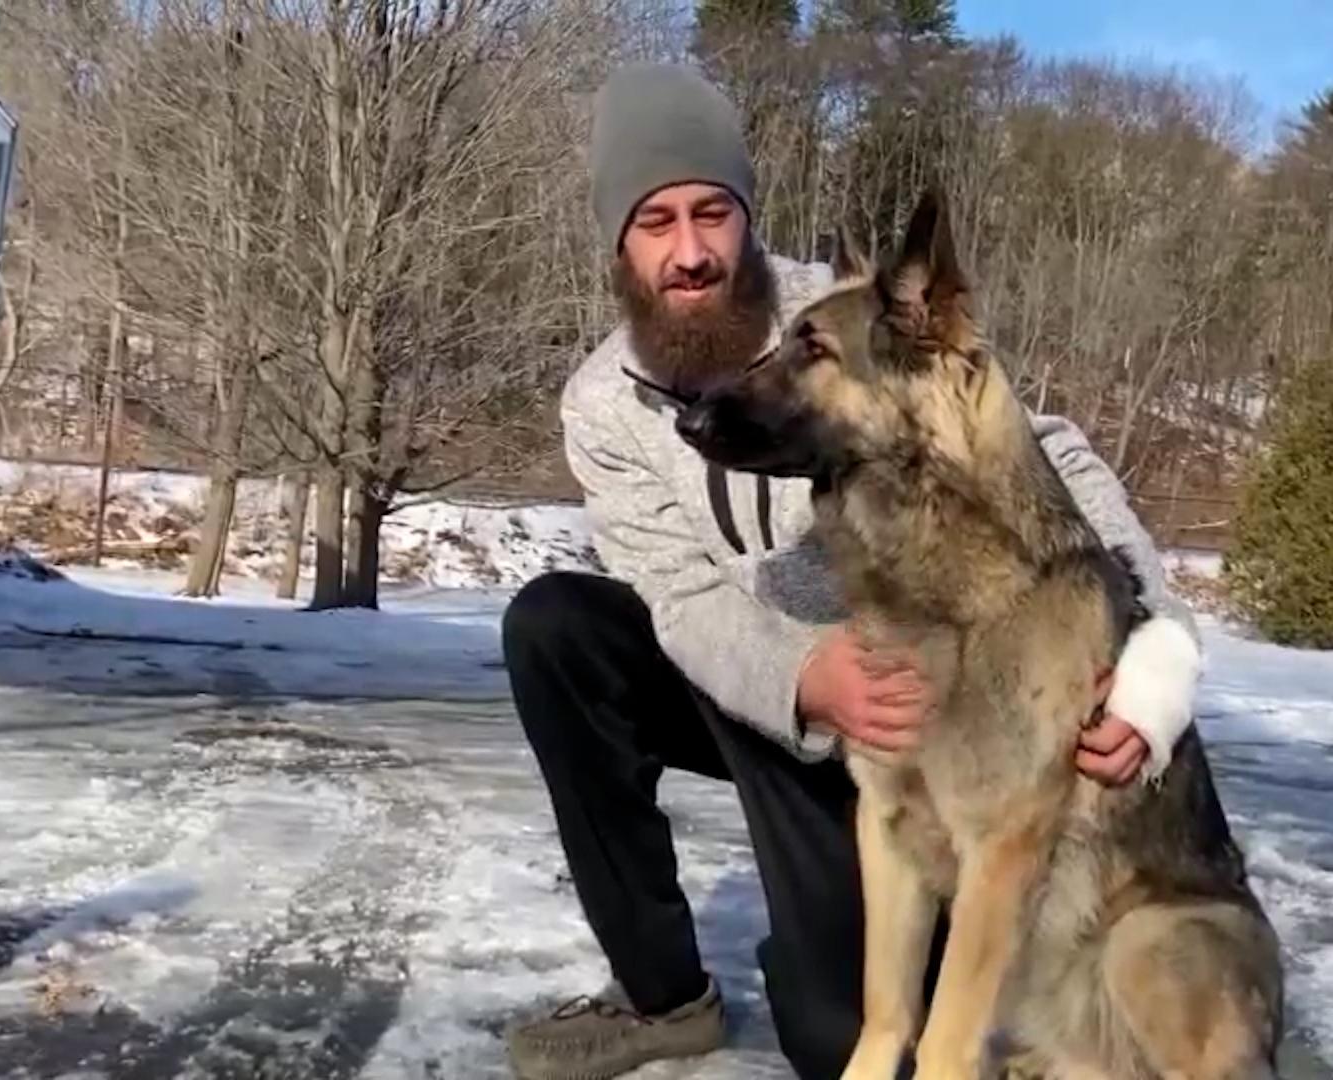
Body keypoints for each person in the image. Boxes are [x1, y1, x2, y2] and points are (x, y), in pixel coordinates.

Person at [499, 62, 1206, 1080]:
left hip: (901, 718)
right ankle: (662, 999)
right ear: (619, 241)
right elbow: (679, 595)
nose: (692, 252)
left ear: (746, 215)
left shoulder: (838, 314)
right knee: (557, 628)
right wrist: (801, 674)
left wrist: (1159, 649)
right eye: (656, 222)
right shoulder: (601, 403)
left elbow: (1046, 451)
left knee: (839, 1044)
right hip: (760, 685)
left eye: (712, 212)